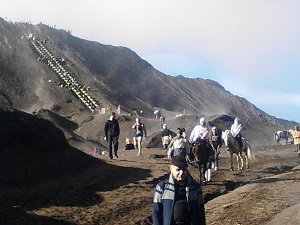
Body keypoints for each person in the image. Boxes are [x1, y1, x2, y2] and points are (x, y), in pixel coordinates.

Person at [152, 155, 206, 225]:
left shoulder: (195, 187)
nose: (181, 173)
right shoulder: (162, 187)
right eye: (178, 170)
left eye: (184, 169)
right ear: (171, 168)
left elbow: (201, 212)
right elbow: (156, 212)